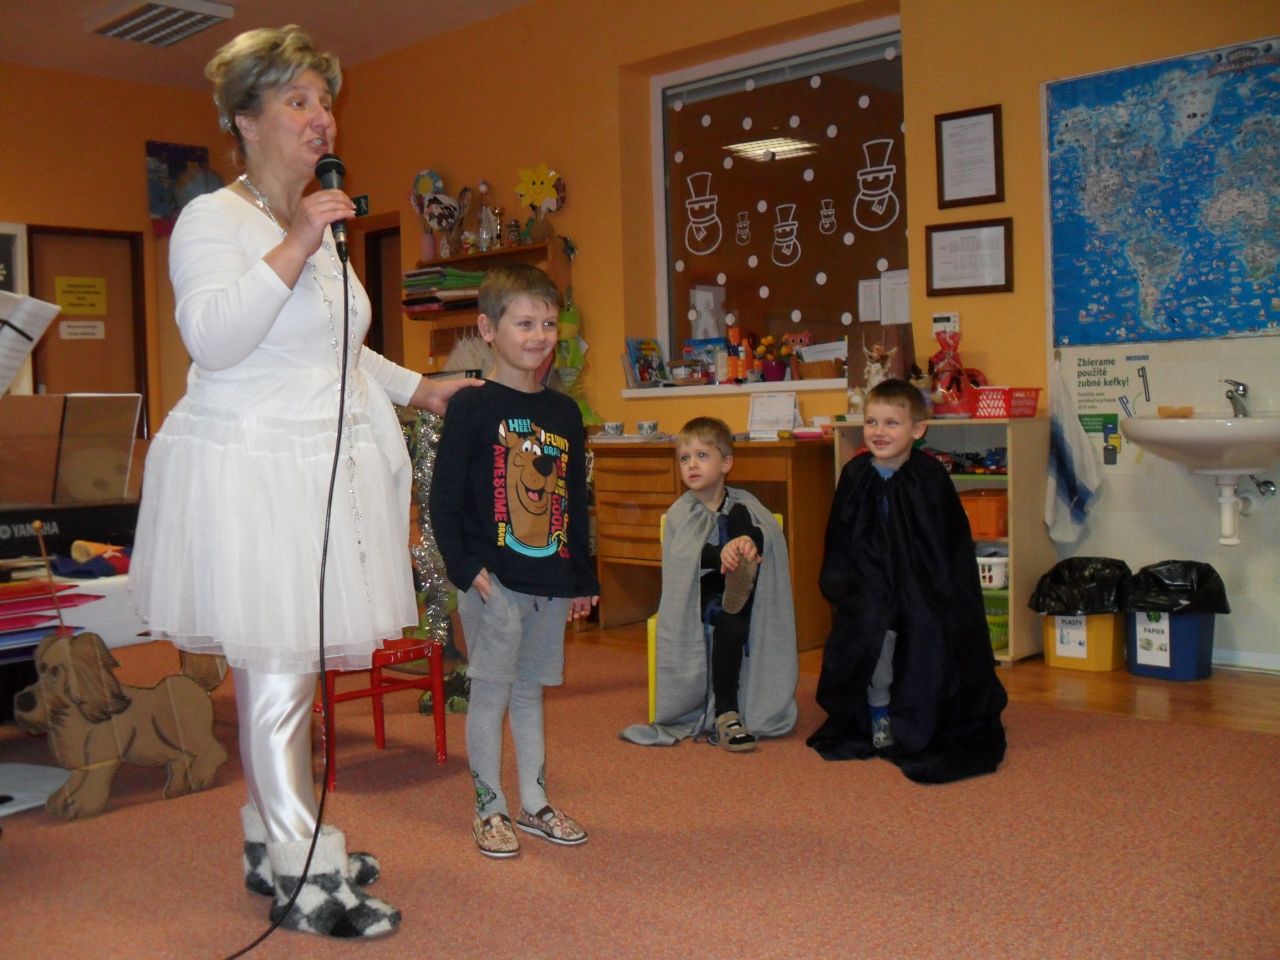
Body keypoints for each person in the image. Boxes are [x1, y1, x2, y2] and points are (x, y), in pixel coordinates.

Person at [130, 25, 478, 939]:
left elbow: (337, 348)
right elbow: (214, 338)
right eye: (296, 101)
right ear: (244, 120)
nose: (320, 118)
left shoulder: (315, 222)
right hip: (253, 472)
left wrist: (421, 388)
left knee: (286, 670)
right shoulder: (216, 220)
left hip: (318, 471)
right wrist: (295, 240)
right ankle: (304, 876)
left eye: (324, 101)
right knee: (281, 676)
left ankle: (270, 840)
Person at [428, 263, 599, 859]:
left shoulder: (565, 415)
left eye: (548, 323)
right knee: (491, 694)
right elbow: (444, 500)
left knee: (530, 693)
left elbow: (574, 502)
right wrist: (466, 569)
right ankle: (488, 807)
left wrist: (582, 578)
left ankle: (534, 802)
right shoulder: (472, 408)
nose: (539, 335)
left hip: (549, 581)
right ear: (488, 329)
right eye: (524, 323)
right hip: (491, 583)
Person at [807, 378, 1007, 783]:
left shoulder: (929, 478)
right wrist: (846, 585)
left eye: (892, 423)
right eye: (871, 422)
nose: (879, 432)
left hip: (922, 586)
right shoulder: (854, 474)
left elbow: (946, 546)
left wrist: (932, 590)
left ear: (918, 430)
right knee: (870, 632)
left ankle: (920, 717)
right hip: (867, 586)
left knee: (924, 632)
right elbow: (841, 537)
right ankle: (878, 712)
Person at [620, 417, 797, 750]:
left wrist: (747, 542)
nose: (692, 465)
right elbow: (684, 558)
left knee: (743, 535)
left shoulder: (745, 503)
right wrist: (721, 555)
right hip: (699, 591)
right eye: (685, 458)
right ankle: (727, 712)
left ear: (726, 463)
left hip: (740, 588)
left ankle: (741, 557)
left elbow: (771, 536)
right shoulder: (680, 512)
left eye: (702, 456)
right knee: (730, 610)